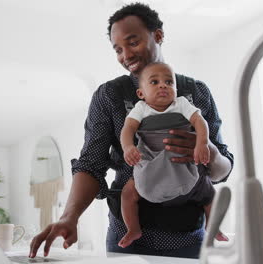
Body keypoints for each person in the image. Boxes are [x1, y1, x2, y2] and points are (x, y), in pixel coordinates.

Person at [29, 3, 233, 259]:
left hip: (191, 238)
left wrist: (209, 151)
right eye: (118, 49)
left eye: (132, 43)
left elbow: (222, 170)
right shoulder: (109, 95)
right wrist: (69, 217)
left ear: (158, 36)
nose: (126, 55)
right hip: (127, 240)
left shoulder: (196, 92)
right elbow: (91, 165)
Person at [118, 62, 228, 248]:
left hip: (182, 163)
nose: (163, 85)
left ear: (176, 89)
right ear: (141, 93)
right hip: (150, 164)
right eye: (154, 82)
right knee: (128, 193)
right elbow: (127, 129)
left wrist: (202, 144)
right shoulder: (141, 108)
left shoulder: (181, 103)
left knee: (209, 193)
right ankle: (133, 228)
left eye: (169, 82)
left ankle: (213, 224)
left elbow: (200, 122)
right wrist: (128, 147)